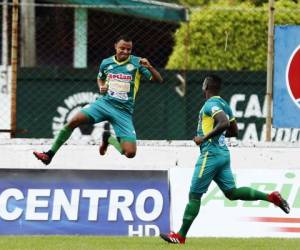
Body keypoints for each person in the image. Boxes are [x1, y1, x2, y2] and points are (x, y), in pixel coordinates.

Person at [160, 75, 290, 244]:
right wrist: (218, 132)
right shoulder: (225, 105)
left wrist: (204, 138)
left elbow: (223, 123)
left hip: (210, 154)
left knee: (194, 195)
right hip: (223, 154)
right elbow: (234, 131)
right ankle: (271, 197)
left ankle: (180, 236)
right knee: (231, 192)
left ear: (205, 86)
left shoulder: (210, 104)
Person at [33, 35, 163, 165]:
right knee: (73, 121)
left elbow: (159, 80)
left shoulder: (137, 63)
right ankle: (49, 154)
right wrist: (101, 86)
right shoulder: (106, 63)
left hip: (123, 111)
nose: (125, 52)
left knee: (130, 153)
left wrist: (150, 67)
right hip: (104, 104)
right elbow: (100, 78)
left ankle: (109, 139)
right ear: (115, 47)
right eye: (122, 48)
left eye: (129, 49)